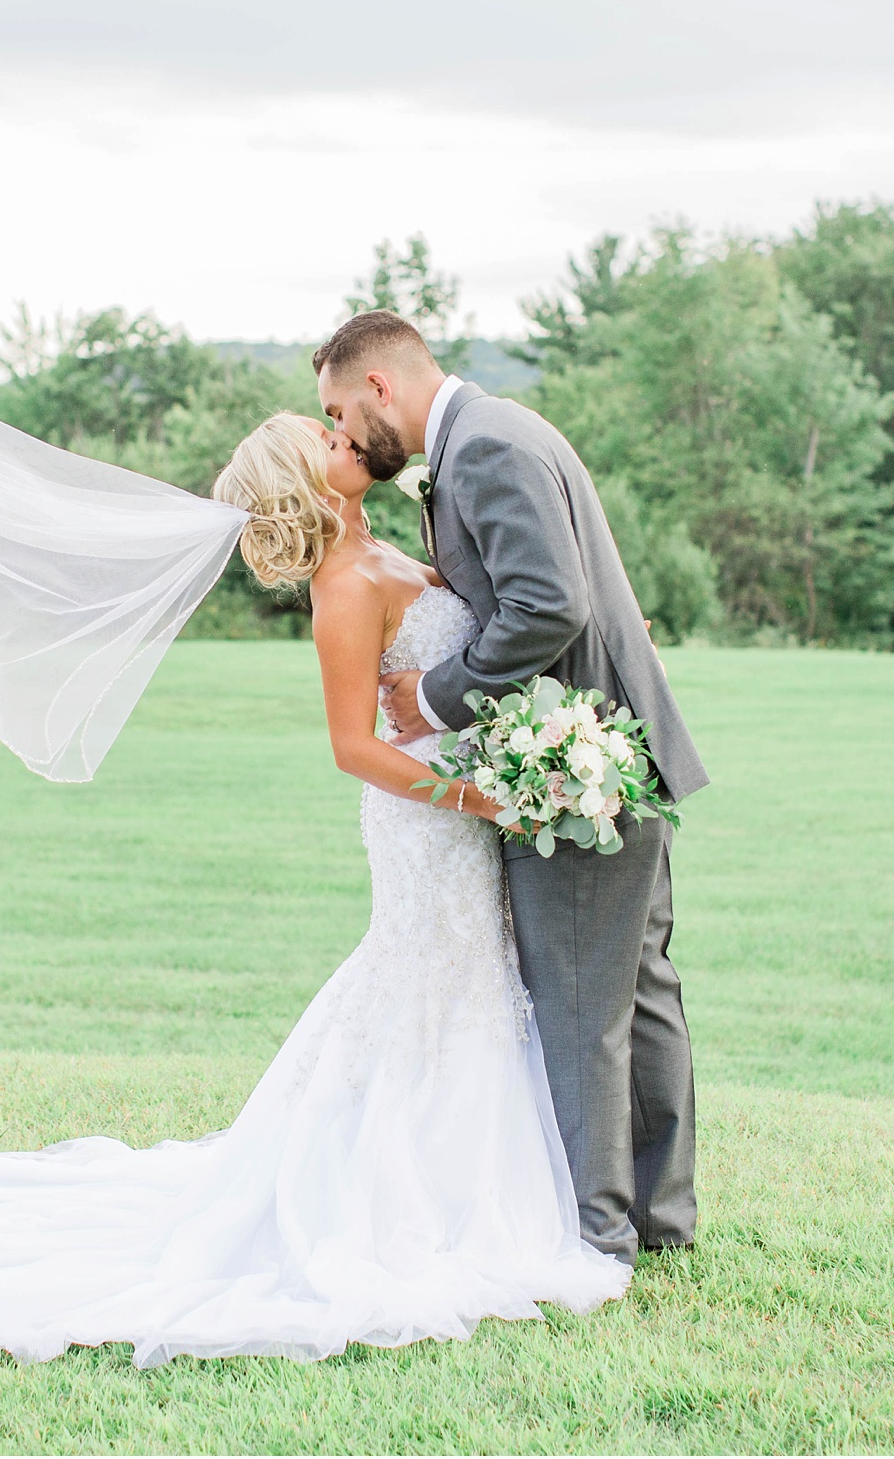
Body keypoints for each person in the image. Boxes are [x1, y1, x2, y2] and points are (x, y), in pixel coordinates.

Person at [0, 318, 672, 1365]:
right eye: (328, 430)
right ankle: (451, 1204)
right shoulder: (341, 591)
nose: (342, 434)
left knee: (487, 998)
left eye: (338, 416)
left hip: (464, 814)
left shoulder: (396, 542)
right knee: (436, 994)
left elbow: (502, 619)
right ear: (308, 471)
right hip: (426, 823)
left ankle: (536, 1193)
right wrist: (484, 801)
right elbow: (354, 745)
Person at [316, 309, 707, 1265]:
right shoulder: (490, 435)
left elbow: (549, 601)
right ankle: (659, 1219)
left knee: (579, 994)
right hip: (610, 747)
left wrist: (437, 695)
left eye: (334, 408)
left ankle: (598, 1235)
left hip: (575, 762)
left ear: (380, 386)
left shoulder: (484, 447)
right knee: (638, 989)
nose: (334, 428)